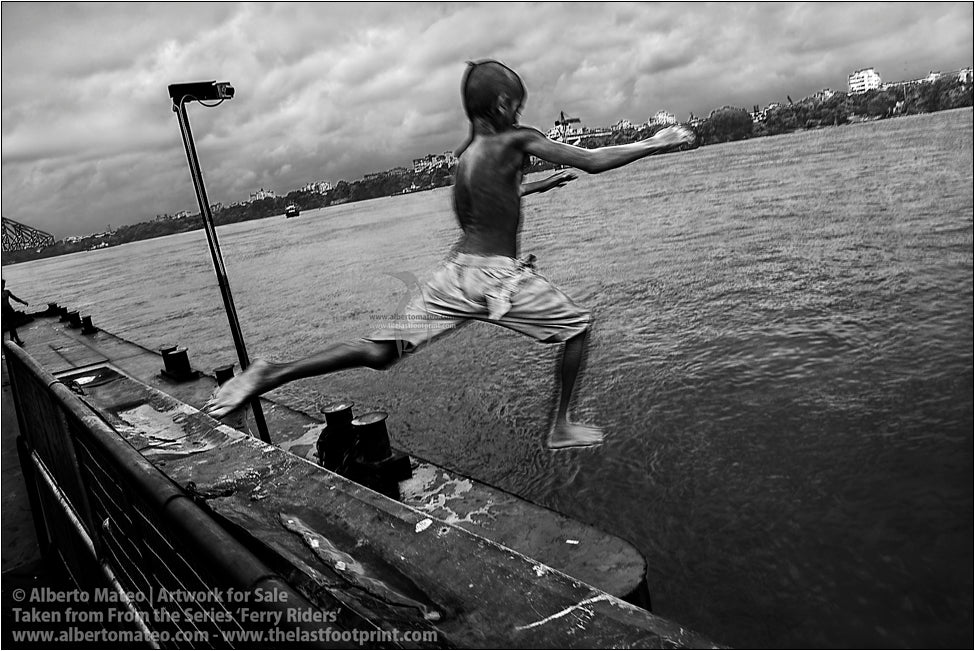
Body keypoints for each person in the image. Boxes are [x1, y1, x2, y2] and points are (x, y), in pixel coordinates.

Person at [206, 59, 697, 449]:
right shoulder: (517, 139)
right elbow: (594, 161)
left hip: (454, 273)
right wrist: (656, 141)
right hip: (495, 278)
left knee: (380, 352)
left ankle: (273, 372)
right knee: (578, 327)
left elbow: (486, 213)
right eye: (517, 106)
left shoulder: (466, 160)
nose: (520, 116)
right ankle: (562, 424)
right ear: (504, 104)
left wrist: (542, 185)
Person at [2, 279, 29, 346]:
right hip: (3, 311)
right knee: (5, 328)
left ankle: (15, 340)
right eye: (2, 284)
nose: (3, 286)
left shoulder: (7, 292)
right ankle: (11, 341)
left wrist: (23, 302)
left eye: (3, 284)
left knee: (12, 326)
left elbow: (15, 298)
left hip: (9, 310)